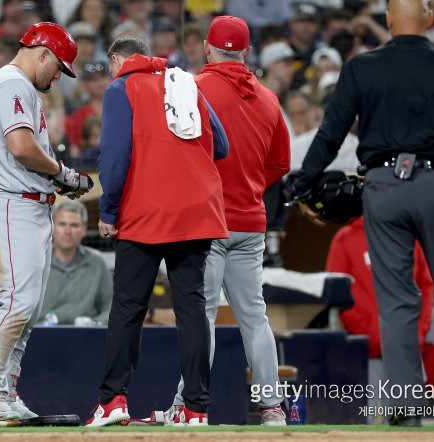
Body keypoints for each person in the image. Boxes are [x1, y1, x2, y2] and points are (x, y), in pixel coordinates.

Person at [292, 0, 434, 426]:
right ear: (429, 19)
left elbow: (330, 133)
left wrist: (303, 187)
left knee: (396, 303)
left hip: (383, 188)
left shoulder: (362, 67)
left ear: (388, 19)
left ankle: (406, 410)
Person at [86, 35, 229, 427]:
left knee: (129, 308)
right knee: (192, 308)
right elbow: (221, 146)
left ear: (117, 60)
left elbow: (114, 158)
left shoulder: (120, 88)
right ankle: (196, 409)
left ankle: (113, 402)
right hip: (198, 210)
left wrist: (109, 210)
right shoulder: (185, 81)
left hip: (145, 212)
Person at [160, 16, 291, 426]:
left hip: (207, 221)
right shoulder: (269, 98)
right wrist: (249, 185)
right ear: (247, 52)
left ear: (206, 47)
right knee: (254, 315)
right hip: (251, 221)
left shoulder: (194, 88)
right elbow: (281, 163)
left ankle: (188, 404)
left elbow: (174, 152)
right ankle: (272, 408)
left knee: (203, 316)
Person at [0, 22, 91, 422]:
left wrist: (57, 178)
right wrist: (63, 173)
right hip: (13, 205)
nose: (59, 75)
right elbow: (21, 147)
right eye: (59, 66)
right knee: (18, 305)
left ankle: (5, 391)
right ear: (43, 53)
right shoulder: (12, 82)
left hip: (31, 206)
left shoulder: (19, 86)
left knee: (28, 309)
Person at [326, 216, 434, 424]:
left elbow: (426, 286)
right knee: (369, 423)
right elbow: (338, 292)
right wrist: (373, 335)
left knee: (410, 424)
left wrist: (418, 332)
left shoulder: (410, 237)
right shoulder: (345, 239)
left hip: (406, 350)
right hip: (366, 355)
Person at [40, 200, 113, 325]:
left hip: (86, 337)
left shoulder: (97, 263)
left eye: (74, 225)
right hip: (41, 336)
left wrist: (96, 323)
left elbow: (110, 308)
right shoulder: (38, 262)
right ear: (52, 227)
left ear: (84, 230)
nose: (68, 231)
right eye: (62, 224)